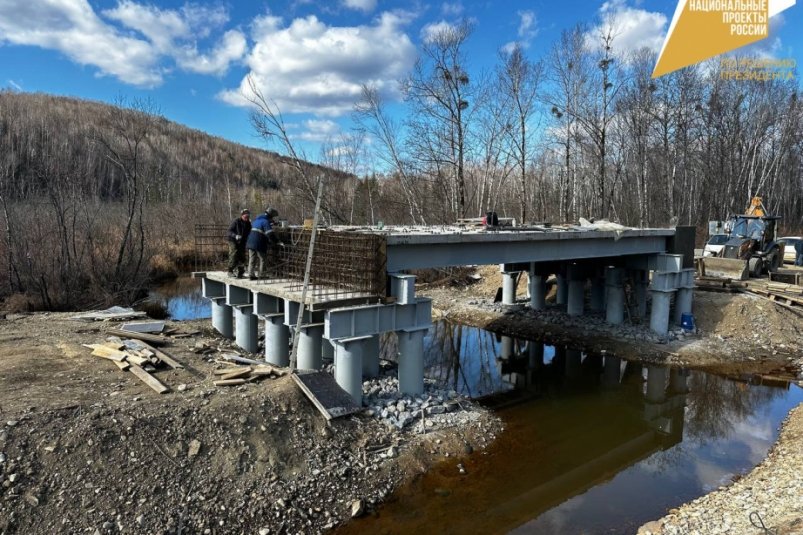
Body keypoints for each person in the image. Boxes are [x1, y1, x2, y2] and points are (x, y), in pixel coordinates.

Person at [246, 207, 281, 280]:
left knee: (252, 258)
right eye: (272, 217)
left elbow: (260, 228)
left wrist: (272, 223)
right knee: (263, 259)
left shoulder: (257, 220)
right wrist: (277, 241)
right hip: (258, 242)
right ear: (270, 216)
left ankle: (251, 275)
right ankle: (262, 275)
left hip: (250, 241)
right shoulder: (265, 222)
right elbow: (270, 234)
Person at [226, 209, 251, 278]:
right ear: (242, 215)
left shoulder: (248, 223)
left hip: (242, 241)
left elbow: (249, 232)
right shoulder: (236, 221)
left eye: (248, 216)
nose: (247, 218)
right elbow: (229, 231)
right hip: (233, 240)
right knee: (234, 253)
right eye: (245, 216)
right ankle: (230, 271)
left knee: (242, 256)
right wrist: (235, 235)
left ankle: (241, 272)